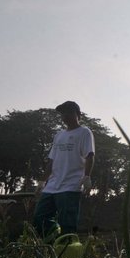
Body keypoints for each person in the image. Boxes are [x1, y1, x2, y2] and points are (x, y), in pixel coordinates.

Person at [33, 101, 95, 238]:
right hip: (52, 186)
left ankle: (66, 253)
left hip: (71, 185)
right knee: (39, 219)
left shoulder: (84, 132)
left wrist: (87, 177)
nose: (65, 116)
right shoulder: (59, 135)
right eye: (63, 113)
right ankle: (52, 243)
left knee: (67, 224)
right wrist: (42, 182)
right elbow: (51, 160)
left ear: (78, 114)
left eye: (69, 112)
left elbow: (89, 156)